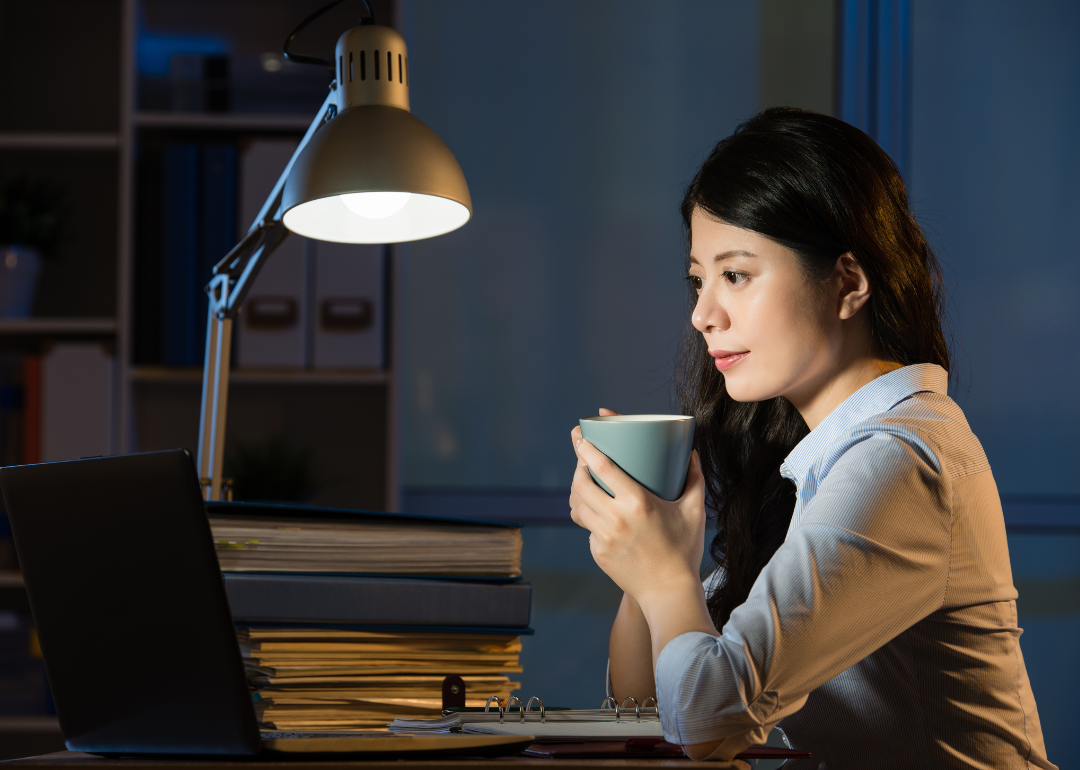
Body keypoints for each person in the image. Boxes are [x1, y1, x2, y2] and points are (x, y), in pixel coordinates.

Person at [568, 108, 1056, 769]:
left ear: (847, 283)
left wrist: (662, 579)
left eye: (735, 275)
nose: (702, 314)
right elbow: (646, 713)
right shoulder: (814, 457)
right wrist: (650, 552)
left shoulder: (899, 459)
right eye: (697, 278)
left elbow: (707, 722)